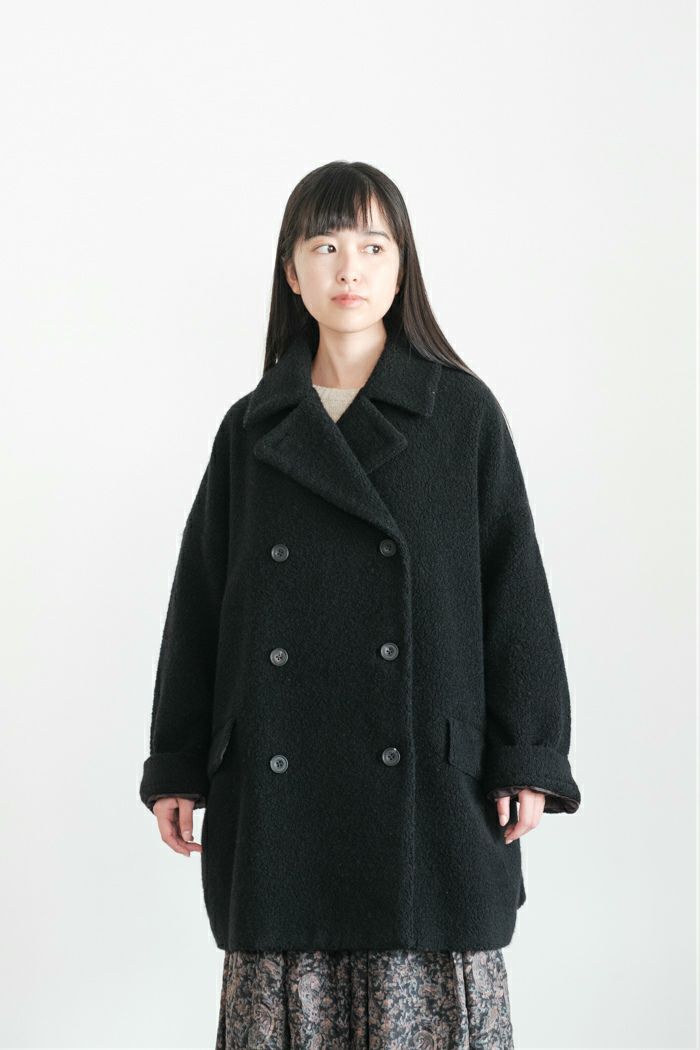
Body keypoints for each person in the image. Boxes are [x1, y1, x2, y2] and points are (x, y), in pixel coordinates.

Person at [139, 160, 582, 1049]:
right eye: (326, 246)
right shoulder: (251, 429)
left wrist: (527, 753)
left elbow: (514, 591)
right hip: (282, 799)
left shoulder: (461, 415)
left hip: (428, 794)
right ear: (291, 271)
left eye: (374, 246)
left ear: (402, 266)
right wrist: (178, 763)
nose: (350, 268)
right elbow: (202, 603)